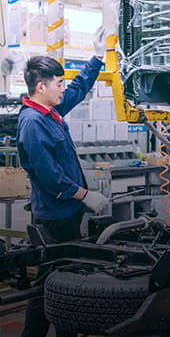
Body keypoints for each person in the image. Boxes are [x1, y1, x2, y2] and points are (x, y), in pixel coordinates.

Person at [16, 28, 109, 337]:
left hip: (67, 212)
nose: (62, 88)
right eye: (58, 84)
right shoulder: (33, 123)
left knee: (63, 278)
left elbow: (79, 88)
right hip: (54, 217)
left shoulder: (50, 112)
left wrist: (97, 57)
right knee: (51, 282)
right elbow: (49, 176)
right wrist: (85, 195)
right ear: (41, 86)